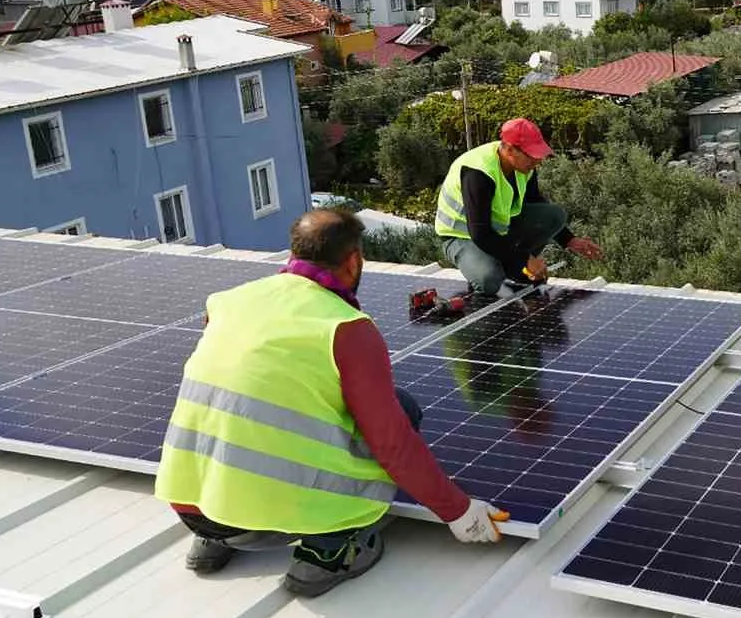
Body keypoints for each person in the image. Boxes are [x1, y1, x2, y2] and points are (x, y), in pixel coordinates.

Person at [154, 209, 510, 597]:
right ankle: (326, 553)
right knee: (402, 410)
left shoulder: (226, 302)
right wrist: (457, 511)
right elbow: (393, 444)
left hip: (190, 507)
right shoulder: (347, 329)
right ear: (355, 260)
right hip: (266, 523)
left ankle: (214, 539)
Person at [435, 118, 603, 296]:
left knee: (554, 216)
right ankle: (495, 271)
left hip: (498, 231)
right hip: (461, 237)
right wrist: (524, 259)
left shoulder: (524, 167)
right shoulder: (478, 172)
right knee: (489, 279)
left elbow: (535, 201)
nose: (536, 162)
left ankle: (514, 270)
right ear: (509, 149)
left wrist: (569, 240)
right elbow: (480, 233)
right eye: (531, 156)